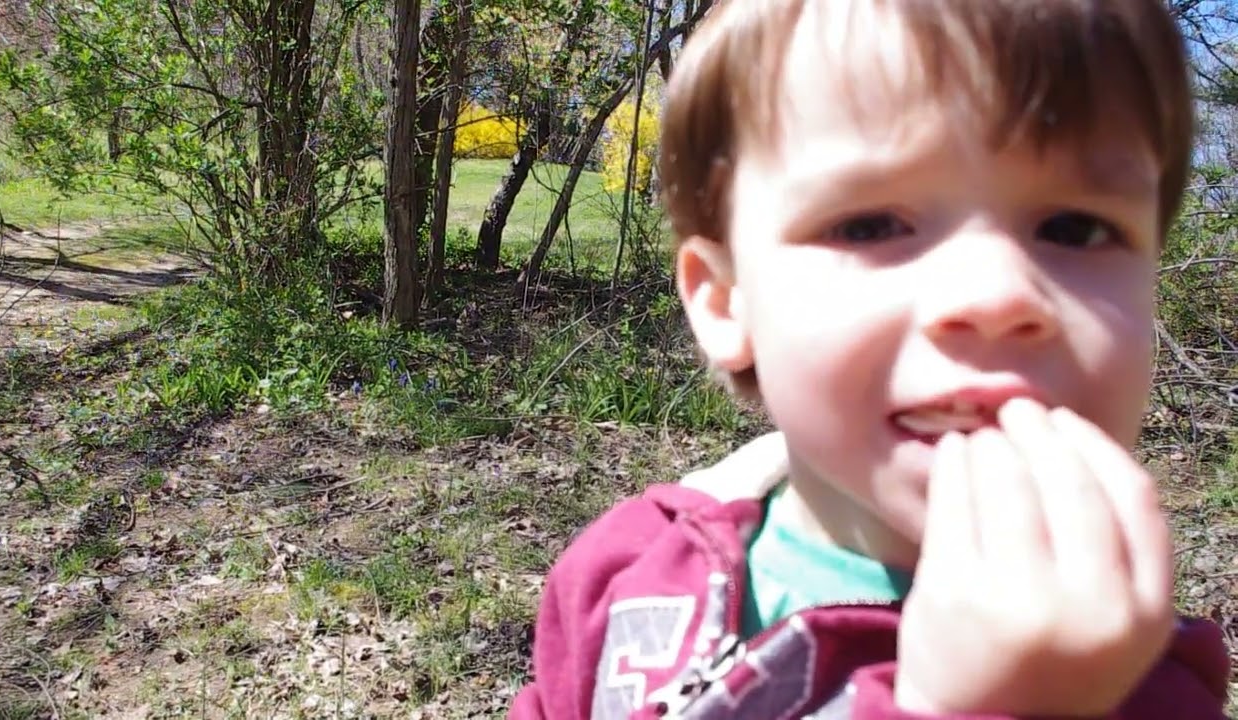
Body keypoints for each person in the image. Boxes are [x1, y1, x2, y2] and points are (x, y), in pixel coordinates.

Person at [509, 0, 1233, 717]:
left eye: (1076, 228)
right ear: (728, 302)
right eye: (870, 223)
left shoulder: (1135, 689)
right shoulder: (630, 568)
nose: (998, 293)